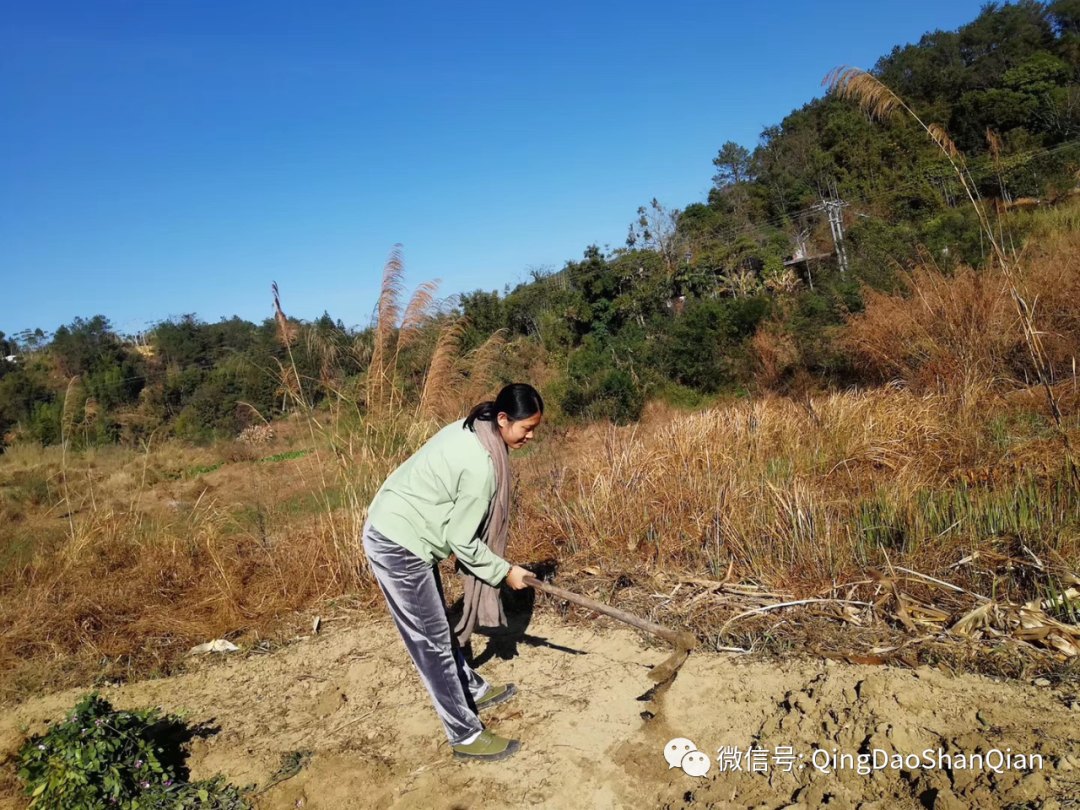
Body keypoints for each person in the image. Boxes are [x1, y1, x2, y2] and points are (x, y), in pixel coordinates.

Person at [361, 383, 543, 762]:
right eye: (525, 429)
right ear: (504, 419)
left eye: (534, 430)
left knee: (437, 625)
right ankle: (464, 733)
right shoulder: (481, 467)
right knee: (430, 643)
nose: (529, 437)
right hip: (397, 540)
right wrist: (504, 570)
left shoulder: (472, 426)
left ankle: (471, 687)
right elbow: (462, 541)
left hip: (411, 526)